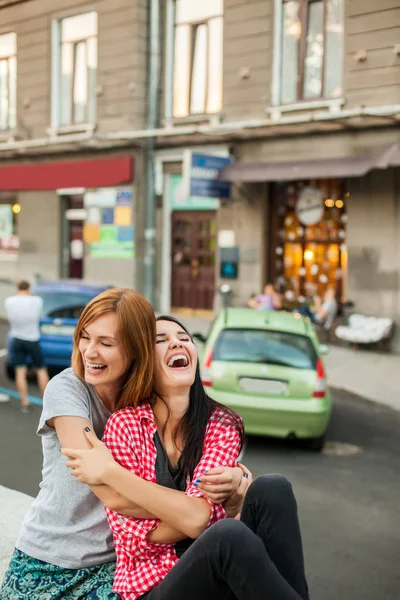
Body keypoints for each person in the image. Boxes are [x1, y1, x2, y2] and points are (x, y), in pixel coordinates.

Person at [0, 289, 245, 600]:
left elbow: (187, 461)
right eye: (85, 337)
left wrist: (237, 478)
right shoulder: (68, 389)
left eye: (106, 343)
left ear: (134, 350)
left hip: (115, 566)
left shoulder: (146, 399)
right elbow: (114, 496)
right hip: (50, 560)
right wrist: (201, 510)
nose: (89, 352)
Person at [62, 315, 310, 600]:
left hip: (214, 569)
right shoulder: (124, 426)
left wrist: (110, 472)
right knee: (228, 535)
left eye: (183, 337)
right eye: (161, 340)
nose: (176, 343)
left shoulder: (221, 423)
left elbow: (197, 518)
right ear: (142, 361)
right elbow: (135, 539)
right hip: (152, 588)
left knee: (272, 488)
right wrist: (208, 512)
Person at [4, 280, 49, 413]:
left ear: (17, 288)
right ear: (29, 289)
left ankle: (25, 402)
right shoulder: (36, 301)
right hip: (32, 338)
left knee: (20, 371)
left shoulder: (9, 301)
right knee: (41, 370)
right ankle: (47, 403)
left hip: (16, 338)